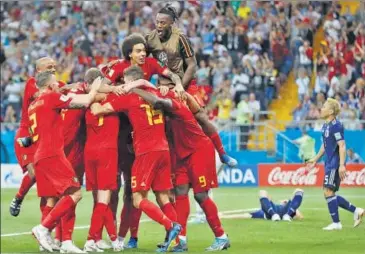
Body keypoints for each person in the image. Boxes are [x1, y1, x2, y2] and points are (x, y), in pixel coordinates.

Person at [126, 83, 230, 252]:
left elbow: (159, 102)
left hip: (199, 151)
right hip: (181, 155)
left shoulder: (176, 104)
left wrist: (136, 87)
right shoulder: (167, 111)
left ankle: (221, 237)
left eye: (166, 86)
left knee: (200, 195)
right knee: (179, 192)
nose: (163, 88)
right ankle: (181, 241)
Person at [90, 66, 181, 252]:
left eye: (124, 81)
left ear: (129, 80)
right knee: (163, 197)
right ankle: (179, 241)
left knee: (138, 199)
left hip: (146, 152)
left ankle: (171, 226)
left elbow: (99, 110)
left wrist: (92, 100)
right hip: (163, 149)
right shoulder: (156, 92)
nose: (122, 84)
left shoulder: (129, 98)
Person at [145, 4, 237, 167]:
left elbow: (192, 65)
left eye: (163, 23)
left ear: (171, 23)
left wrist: (181, 86)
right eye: (157, 22)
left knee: (201, 117)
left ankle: (222, 153)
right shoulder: (149, 39)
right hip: (164, 84)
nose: (159, 25)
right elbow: (142, 61)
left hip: (186, 84)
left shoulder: (180, 38)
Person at [30, 71, 102, 253]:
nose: (58, 85)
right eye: (55, 83)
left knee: (58, 196)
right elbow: (84, 102)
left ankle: (58, 239)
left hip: (40, 155)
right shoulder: (51, 97)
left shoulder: (33, 105)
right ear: (48, 86)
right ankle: (44, 228)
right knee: (75, 193)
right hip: (52, 153)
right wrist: (94, 89)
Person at [10, 57, 59, 217]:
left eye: (54, 66)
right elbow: (43, 94)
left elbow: (66, 90)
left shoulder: (54, 86)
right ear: (39, 70)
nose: (53, 69)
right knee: (35, 173)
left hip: (41, 139)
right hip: (26, 134)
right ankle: (18, 198)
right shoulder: (33, 82)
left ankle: (45, 224)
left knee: (46, 182)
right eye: (49, 66)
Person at [307, 98, 364, 230]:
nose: (321, 108)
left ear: (331, 111)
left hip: (335, 163)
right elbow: (324, 145)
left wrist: (342, 165)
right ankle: (357, 211)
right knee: (328, 192)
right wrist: (315, 159)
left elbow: (342, 145)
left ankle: (337, 223)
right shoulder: (325, 125)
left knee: (328, 191)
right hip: (328, 162)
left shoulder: (336, 125)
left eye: (324, 106)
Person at [82, 68, 123, 252]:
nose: (110, 85)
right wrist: (113, 89)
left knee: (100, 199)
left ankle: (108, 239)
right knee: (104, 199)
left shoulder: (86, 100)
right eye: (106, 82)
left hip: (89, 151)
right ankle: (91, 239)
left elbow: (94, 99)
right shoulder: (113, 98)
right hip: (107, 151)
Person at [238, 189, 304, 221]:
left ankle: (276, 215)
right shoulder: (262, 211)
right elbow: (245, 216)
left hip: (286, 213)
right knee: (262, 192)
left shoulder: (289, 206)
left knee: (299, 190)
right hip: (274, 212)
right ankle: (274, 215)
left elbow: (300, 216)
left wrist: (288, 203)